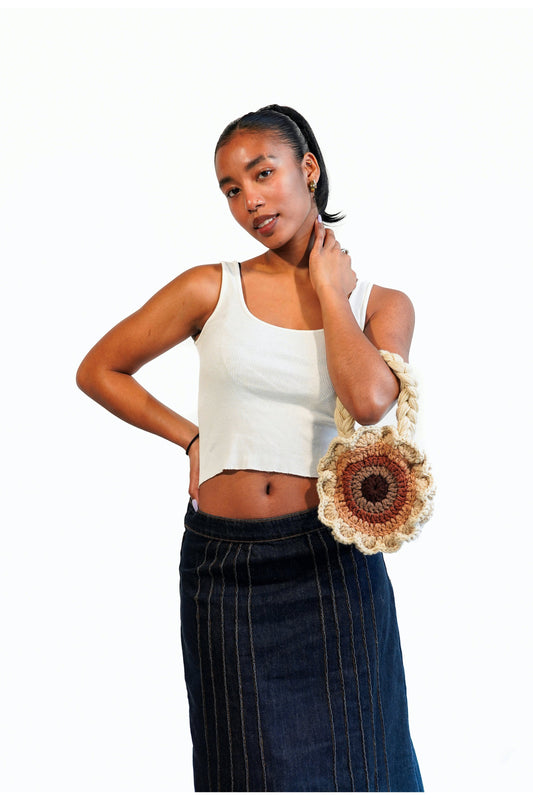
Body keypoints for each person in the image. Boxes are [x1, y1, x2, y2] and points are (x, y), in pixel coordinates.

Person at [77, 104, 423, 792]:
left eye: (262, 174)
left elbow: (369, 401)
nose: (249, 200)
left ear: (307, 169)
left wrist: (329, 292)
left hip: (331, 565)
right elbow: (99, 370)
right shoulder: (209, 287)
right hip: (224, 570)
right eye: (232, 189)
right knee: (243, 768)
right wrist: (193, 438)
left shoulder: (379, 303)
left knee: (360, 764)